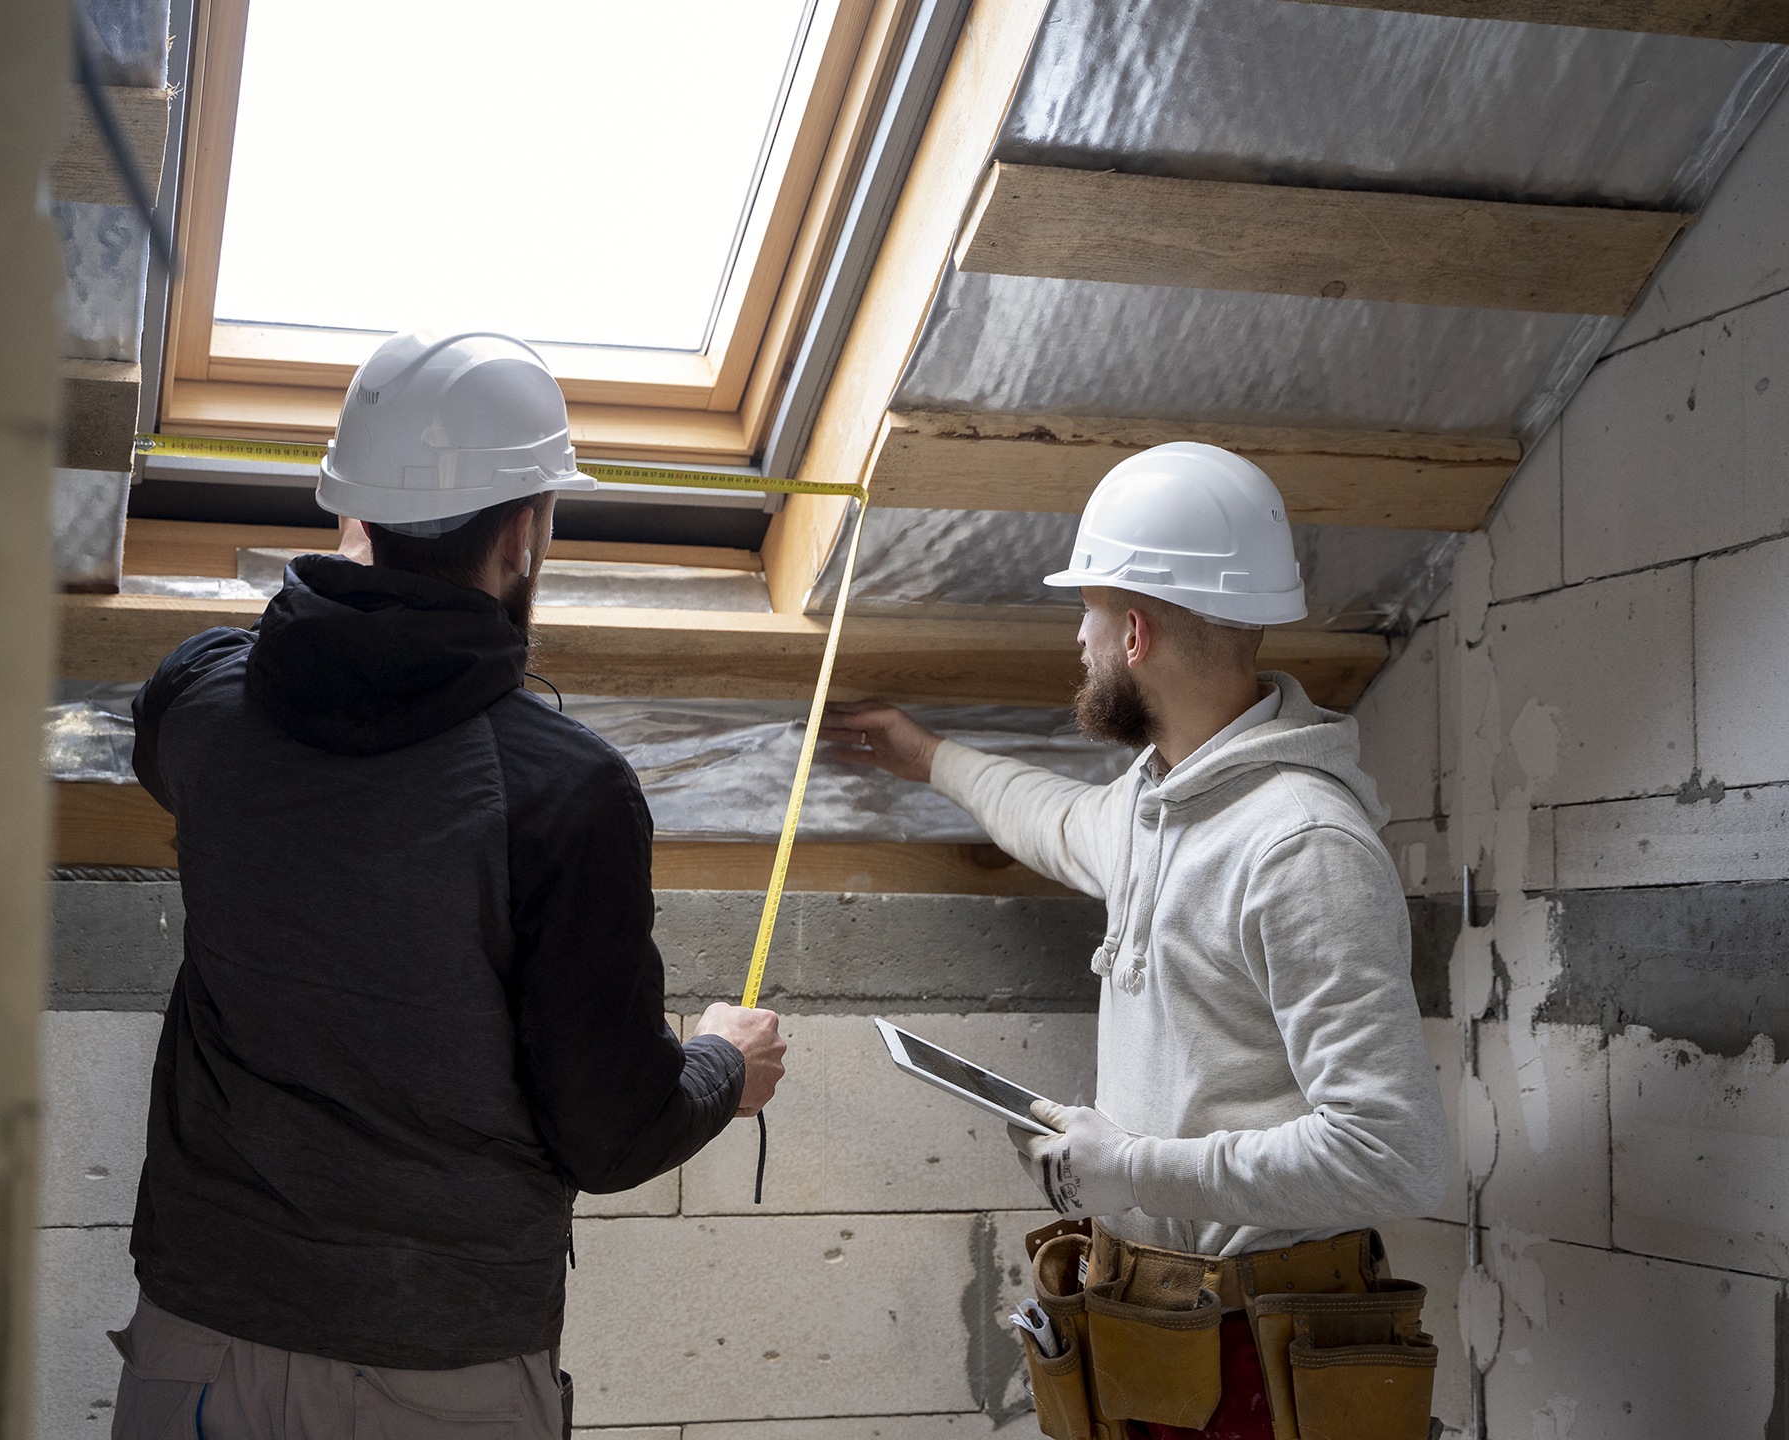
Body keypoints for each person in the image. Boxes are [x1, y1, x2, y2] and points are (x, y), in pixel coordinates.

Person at [111, 331, 786, 1440]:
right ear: (523, 535)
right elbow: (610, 1135)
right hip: (438, 1372)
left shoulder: (202, 705)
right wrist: (725, 1066)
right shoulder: (566, 793)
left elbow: (197, 726)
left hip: (197, 1337)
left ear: (351, 518)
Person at [824, 443, 1447, 1440]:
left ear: (1137, 633)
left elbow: (1393, 1154)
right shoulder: (1159, 803)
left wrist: (1139, 1169)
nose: (1078, 637)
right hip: (1167, 1334)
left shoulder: (1300, 846)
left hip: (1262, 1351)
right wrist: (926, 756)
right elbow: (1058, 821)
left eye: (1091, 611)